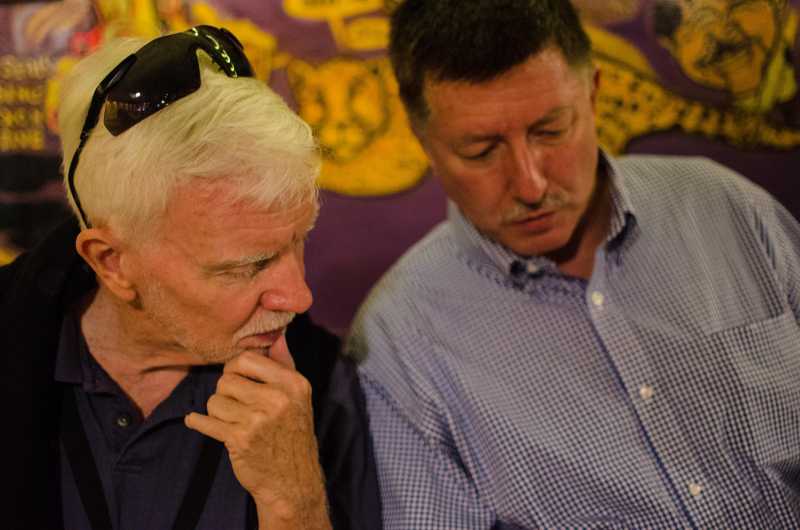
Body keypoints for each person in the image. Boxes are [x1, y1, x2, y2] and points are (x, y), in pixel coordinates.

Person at [347, 1, 800, 528]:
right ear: (424, 141)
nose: (530, 184)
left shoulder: (723, 207)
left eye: (551, 130)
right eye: (481, 151)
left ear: (593, 92)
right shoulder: (399, 341)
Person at [0, 26, 381, 530]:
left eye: (298, 241)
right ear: (112, 262)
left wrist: (295, 503)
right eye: (245, 267)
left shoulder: (323, 383)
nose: (299, 296)